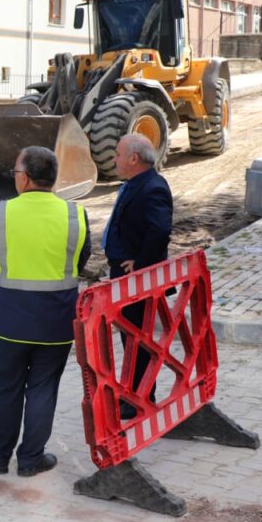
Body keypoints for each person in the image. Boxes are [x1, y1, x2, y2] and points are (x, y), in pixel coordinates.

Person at [0, 146, 91, 478]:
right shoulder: (75, 215)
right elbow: (80, 262)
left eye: (16, 173)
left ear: (25, 178)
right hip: (55, 321)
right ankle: (30, 460)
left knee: (5, 387)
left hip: (8, 320)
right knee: (43, 388)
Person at [102, 133, 173, 417]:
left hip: (138, 277)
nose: (114, 159)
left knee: (138, 340)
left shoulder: (153, 187)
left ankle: (139, 398)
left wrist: (141, 264)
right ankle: (132, 394)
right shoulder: (137, 183)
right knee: (130, 338)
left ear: (134, 158)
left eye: (118, 154)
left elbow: (160, 231)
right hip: (125, 273)